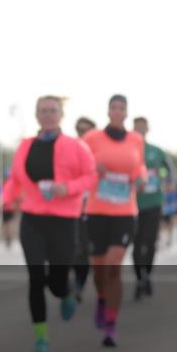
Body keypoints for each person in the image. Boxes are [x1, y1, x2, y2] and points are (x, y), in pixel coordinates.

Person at [2, 96, 97, 352]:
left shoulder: (76, 147)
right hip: (32, 218)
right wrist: (6, 200)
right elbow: (15, 179)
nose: (47, 115)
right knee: (35, 278)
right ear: (36, 115)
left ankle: (65, 293)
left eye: (52, 111)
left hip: (64, 220)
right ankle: (41, 339)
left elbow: (90, 177)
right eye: (43, 111)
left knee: (55, 282)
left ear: (61, 115)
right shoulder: (25, 145)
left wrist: (67, 188)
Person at [82, 95, 146, 347]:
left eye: (122, 108)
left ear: (126, 113)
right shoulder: (92, 139)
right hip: (97, 210)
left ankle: (111, 324)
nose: (118, 112)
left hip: (124, 211)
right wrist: (93, 170)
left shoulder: (135, 140)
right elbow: (80, 166)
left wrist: (140, 178)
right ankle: (100, 297)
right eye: (114, 107)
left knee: (113, 265)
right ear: (108, 111)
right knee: (98, 270)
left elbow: (139, 167)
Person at [131, 117, 173, 300]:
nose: (140, 130)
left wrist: (163, 179)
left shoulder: (156, 151)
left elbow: (168, 171)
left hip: (154, 203)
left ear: (147, 129)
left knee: (149, 242)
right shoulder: (128, 149)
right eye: (137, 127)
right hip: (132, 205)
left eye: (142, 127)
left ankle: (147, 273)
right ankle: (139, 277)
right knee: (136, 244)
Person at [72, 116, 97, 299]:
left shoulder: (100, 153)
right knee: (75, 249)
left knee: (87, 250)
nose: (83, 134)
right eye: (80, 130)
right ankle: (78, 284)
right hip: (72, 209)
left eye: (87, 130)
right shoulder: (69, 150)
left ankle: (82, 283)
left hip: (96, 210)